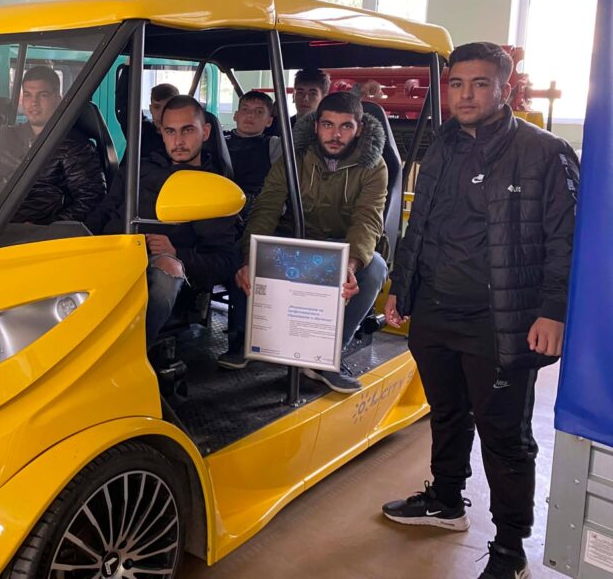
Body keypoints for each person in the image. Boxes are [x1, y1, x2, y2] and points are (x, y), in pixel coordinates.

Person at [380, 42, 580, 579]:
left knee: (505, 435)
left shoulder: (545, 152)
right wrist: (402, 286)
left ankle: (511, 548)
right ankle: (446, 501)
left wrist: (554, 310)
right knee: (446, 413)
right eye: (457, 84)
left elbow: (568, 239)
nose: (465, 95)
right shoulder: (441, 145)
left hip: (501, 320)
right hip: (435, 311)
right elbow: (419, 224)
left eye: (480, 84)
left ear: (504, 88)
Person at [220, 91, 388, 389]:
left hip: (342, 244)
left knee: (375, 267)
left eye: (346, 126)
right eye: (328, 125)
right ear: (316, 125)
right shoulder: (293, 157)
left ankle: (326, 358)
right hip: (295, 236)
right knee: (240, 250)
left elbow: (368, 219)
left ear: (360, 128)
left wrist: (350, 264)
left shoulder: (374, 167)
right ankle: (245, 339)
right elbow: (268, 207)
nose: (335, 135)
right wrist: (249, 258)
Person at [91, 95, 236, 342]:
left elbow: (224, 261)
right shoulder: (138, 169)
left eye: (187, 130)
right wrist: (82, 234)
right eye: (170, 131)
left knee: (168, 269)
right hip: (112, 249)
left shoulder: (213, 188)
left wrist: (177, 252)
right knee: (58, 234)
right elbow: (105, 209)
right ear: (161, 132)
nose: (178, 141)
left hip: (160, 265)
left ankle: (130, 350)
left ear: (205, 132)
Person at [0, 65, 106, 225]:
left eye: (42, 95)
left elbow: (90, 200)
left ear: (57, 99)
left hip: (38, 232)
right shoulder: (11, 136)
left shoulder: (75, 147)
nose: (33, 103)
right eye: (27, 95)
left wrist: (45, 228)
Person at [224, 90, 281, 217]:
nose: (250, 115)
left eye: (259, 112)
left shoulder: (274, 145)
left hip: (256, 210)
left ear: (269, 121)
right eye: (245, 110)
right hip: (220, 203)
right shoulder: (219, 140)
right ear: (236, 115)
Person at [270, 67, 331, 137]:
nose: (305, 98)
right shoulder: (281, 127)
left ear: (323, 98)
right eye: (300, 92)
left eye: (312, 93)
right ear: (293, 96)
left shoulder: (330, 128)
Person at [141, 82, 180, 160]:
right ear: (150, 109)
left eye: (167, 107)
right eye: (156, 107)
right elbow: (125, 104)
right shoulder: (140, 132)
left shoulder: (183, 139)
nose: (161, 114)